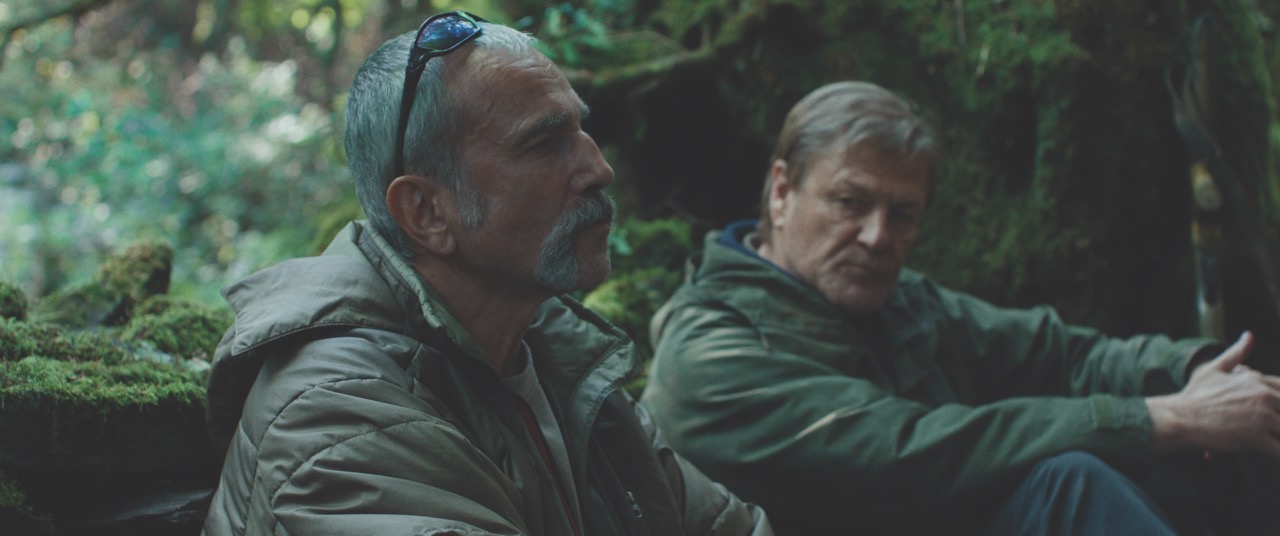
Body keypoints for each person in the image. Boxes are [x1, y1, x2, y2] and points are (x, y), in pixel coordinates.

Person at [200, 12, 771, 536]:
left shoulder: (558, 361)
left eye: (581, 130)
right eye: (544, 143)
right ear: (426, 213)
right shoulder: (338, 419)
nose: (599, 169)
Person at [640, 80, 1280, 535]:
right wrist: (1155, 419)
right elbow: (906, 451)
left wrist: (1206, 376)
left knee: (1218, 454)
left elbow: (1058, 353)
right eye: (850, 202)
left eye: (903, 214)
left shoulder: (898, 301)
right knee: (1068, 482)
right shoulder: (709, 353)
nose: (877, 235)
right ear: (782, 193)